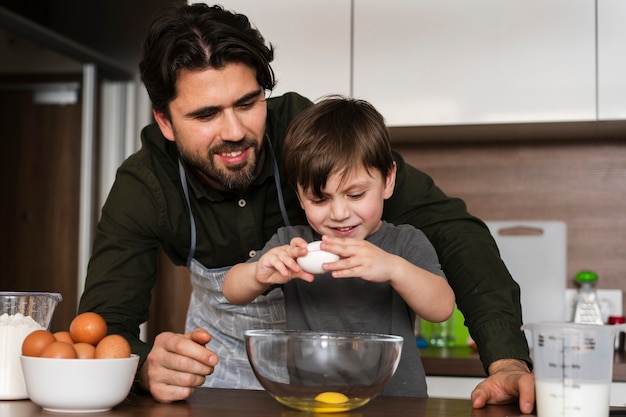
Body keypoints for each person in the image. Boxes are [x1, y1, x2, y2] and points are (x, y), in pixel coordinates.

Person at [78, 2, 534, 411]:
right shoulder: (145, 185)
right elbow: (103, 321)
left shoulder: (311, 134)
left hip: (327, 384)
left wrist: (506, 360)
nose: (235, 131)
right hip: (218, 380)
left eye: (248, 102)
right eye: (206, 114)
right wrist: (143, 367)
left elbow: (450, 228)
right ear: (165, 121)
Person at [223, 96, 456, 397]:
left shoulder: (404, 242)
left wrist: (394, 268)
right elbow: (231, 290)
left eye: (356, 195)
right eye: (320, 199)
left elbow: (441, 308)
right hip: (311, 401)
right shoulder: (294, 244)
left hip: (397, 402)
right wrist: (258, 273)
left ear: (387, 181)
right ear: (299, 195)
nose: (339, 213)